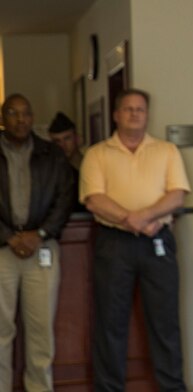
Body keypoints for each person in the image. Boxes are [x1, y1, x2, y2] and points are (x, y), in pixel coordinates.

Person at [80, 88, 191, 392]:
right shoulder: (97, 153)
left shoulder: (167, 150)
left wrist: (144, 216)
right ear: (116, 115)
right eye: (127, 109)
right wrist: (133, 219)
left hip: (158, 242)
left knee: (164, 322)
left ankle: (172, 388)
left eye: (140, 109)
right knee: (110, 323)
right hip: (114, 244)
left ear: (147, 115)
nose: (134, 114)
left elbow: (177, 194)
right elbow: (94, 200)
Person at [0, 94, 73, 391]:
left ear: (33, 118)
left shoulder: (51, 154)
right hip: (2, 250)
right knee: (1, 332)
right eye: (14, 114)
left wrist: (40, 234)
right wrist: (8, 236)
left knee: (41, 333)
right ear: (3, 118)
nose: (21, 120)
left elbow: (64, 199)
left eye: (26, 114)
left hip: (42, 248)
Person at [49, 111, 87, 212]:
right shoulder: (51, 172)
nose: (63, 145)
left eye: (67, 138)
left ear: (77, 139)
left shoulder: (92, 165)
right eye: (57, 141)